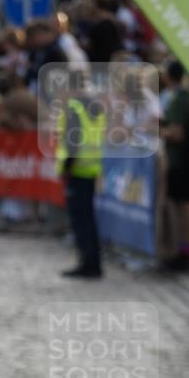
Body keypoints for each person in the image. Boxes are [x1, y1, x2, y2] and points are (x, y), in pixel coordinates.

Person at [55, 73, 107, 278]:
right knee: (89, 218)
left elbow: (73, 140)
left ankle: (87, 263)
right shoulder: (95, 106)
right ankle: (93, 261)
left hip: (77, 169)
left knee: (80, 219)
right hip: (92, 167)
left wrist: (66, 167)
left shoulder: (73, 108)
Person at [161, 61, 189, 271]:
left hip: (182, 160)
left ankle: (187, 252)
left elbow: (177, 133)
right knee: (187, 207)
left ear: (168, 76)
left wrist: (157, 131)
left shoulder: (180, 99)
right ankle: (186, 251)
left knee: (185, 207)